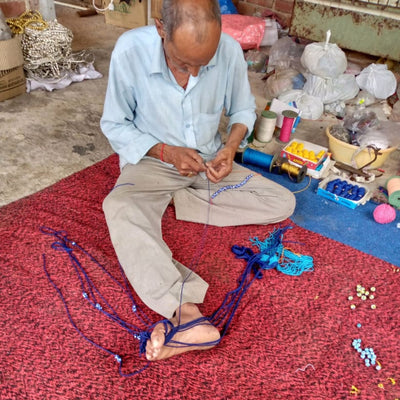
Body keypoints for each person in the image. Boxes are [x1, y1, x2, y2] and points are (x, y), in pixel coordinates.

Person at [100, 0, 295, 362]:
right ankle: (185, 311)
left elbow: (241, 111)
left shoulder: (230, 51)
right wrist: (166, 153)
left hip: (208, 163)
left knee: (282, 202)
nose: (192, 74)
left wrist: (230, 148)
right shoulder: (130, 49)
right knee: (119, 206)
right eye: (181, 63)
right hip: (153, 161)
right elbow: (115, 125)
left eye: (201, 66)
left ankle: (174, 200)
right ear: (161, 29)